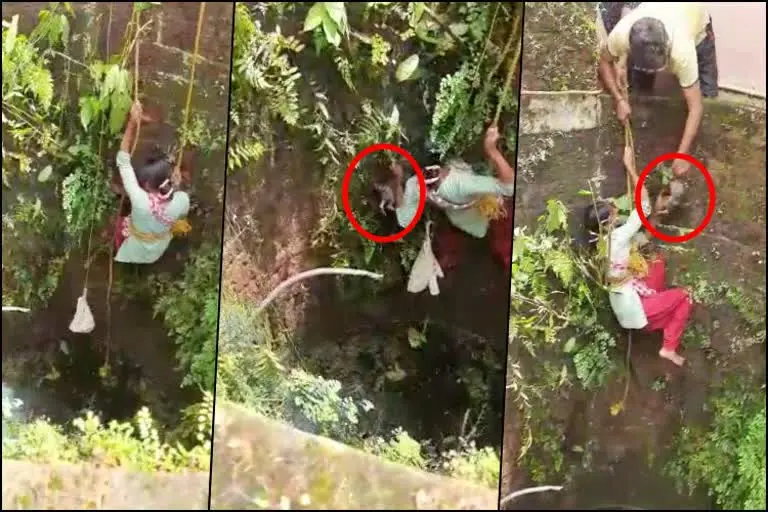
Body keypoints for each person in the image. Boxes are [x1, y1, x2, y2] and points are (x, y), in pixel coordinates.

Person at [585, 144, 692, 366]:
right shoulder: (618, 236)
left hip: (627, 297)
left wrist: (656, 221)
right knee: (686, 295)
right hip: (636, 311)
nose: (616, 209)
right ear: (609, 223)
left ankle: (663, 306)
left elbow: (641, 240)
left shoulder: (601, 242)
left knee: (657, 262)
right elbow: (643, 206)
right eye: (613, 211)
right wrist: (631, 168)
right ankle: (668, 347)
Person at [596, 2, 718, 178]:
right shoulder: (622, 35)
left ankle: (698, 150)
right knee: (639, 91)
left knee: (707, 94)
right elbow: (604, 61)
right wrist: (619, 100)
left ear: (667, 47)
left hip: (697, 28)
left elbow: (696, 107)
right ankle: (648, 140)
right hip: (658, 13)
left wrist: (682, 155)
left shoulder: (682, 50)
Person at [387, 124, 516, 272]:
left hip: (468, 217)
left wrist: (396, 181)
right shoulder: (457, 183)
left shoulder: (415, 185)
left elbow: (403, 220)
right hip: (479, 213)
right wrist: (491, 150)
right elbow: (509, 186)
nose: (429, 174)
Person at [113, 101, 190, 264]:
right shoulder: (182, 200)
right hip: (155, 252)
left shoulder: (140, 201)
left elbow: (123, 161)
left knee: (117, 221)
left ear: (147, 186)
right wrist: (177, 185)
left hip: (130, 252)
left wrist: (132, 124)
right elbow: (180, 211)